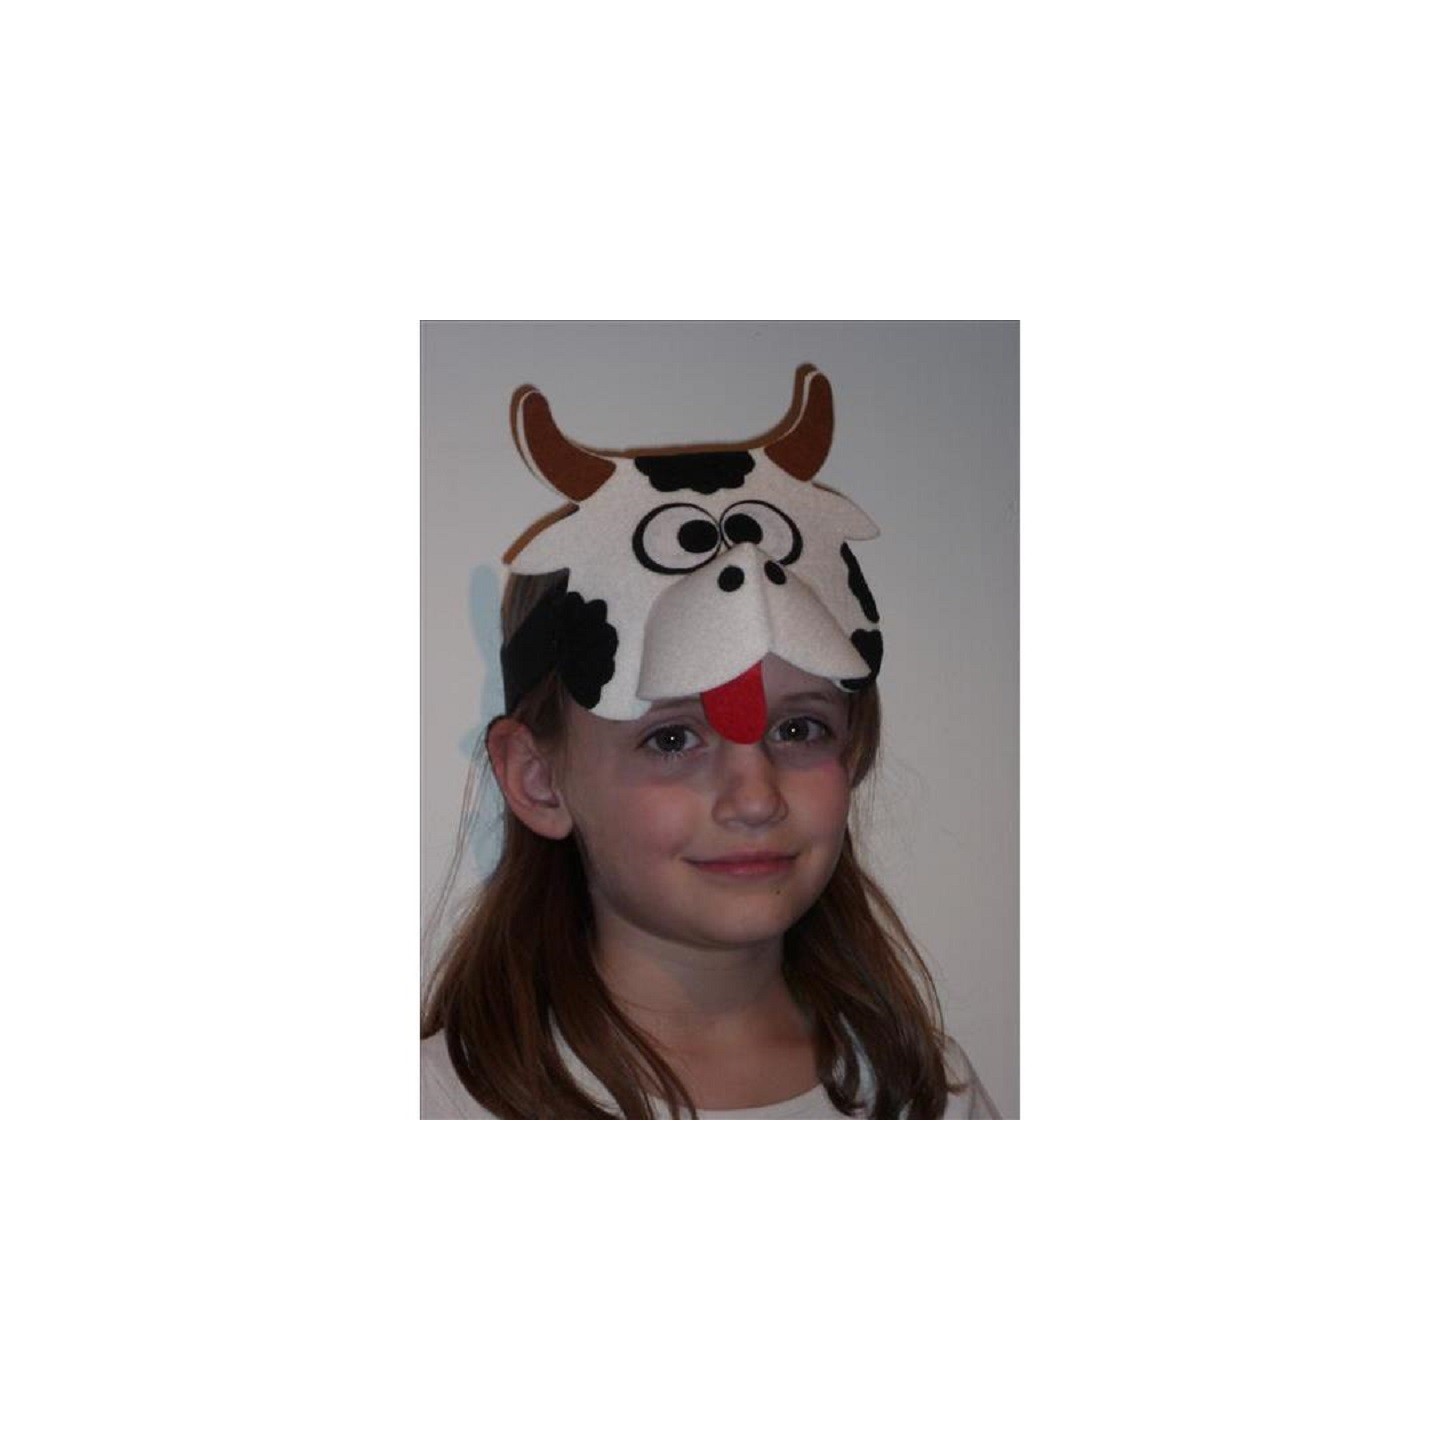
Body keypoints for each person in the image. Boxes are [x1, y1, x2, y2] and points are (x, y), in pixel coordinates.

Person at [421, 365, 999, 1119]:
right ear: (539, 780)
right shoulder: (445, 1106)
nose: (755, 799)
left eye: (799, 729)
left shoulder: (920, 1092)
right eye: (671, 739)